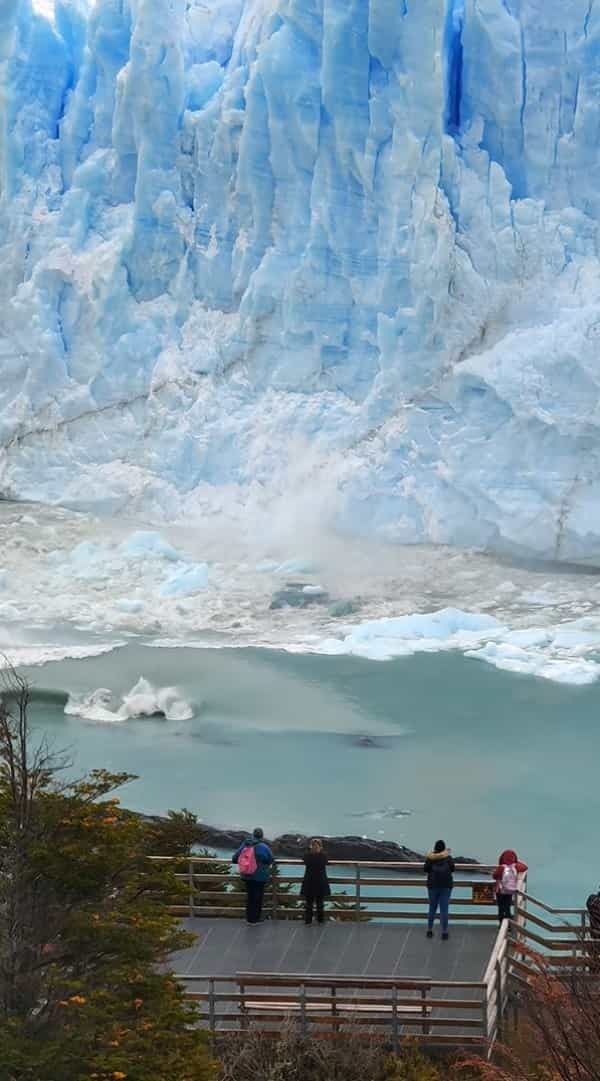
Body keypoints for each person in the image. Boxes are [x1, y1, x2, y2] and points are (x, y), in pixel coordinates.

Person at [233, 827, 273, 924]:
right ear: (262, 836)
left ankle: (249, 918)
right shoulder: (264, 847)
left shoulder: (245, 844)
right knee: (258, 897)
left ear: (253, 835)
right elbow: (270, 859)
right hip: (260, 877)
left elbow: (234, 858)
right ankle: (256, 918)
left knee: (250, 896)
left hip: (247, 875)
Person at [424, 839, 455, 940]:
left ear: (435, 847)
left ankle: (429, 930)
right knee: (444, 909)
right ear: (444, 848)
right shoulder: (448, 858)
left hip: (432, 886)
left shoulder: (430, 858)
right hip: (446, 886)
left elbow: (425, 869)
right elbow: (453, 869)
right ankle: (444, 932)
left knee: (432, 908)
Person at [492, 849, 528, 924]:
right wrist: (516, 862)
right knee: (507, 907)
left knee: (501, 908)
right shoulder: (516, 866)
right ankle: (509, 925)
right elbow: (525, 867)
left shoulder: (501, 867)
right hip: (509, 891)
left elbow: (494, 876)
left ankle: (501, 924)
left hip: (500, 891)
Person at [300, 838, 330, 925]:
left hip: (309, 881)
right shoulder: (323, 856)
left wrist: (309, 850)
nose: (315, 847)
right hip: (320, 882)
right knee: (319, 902)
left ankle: (308, 920)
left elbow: (304, 858)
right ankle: (320, 920)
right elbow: (326, 860)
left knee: (309, 903)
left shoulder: (308, 856)